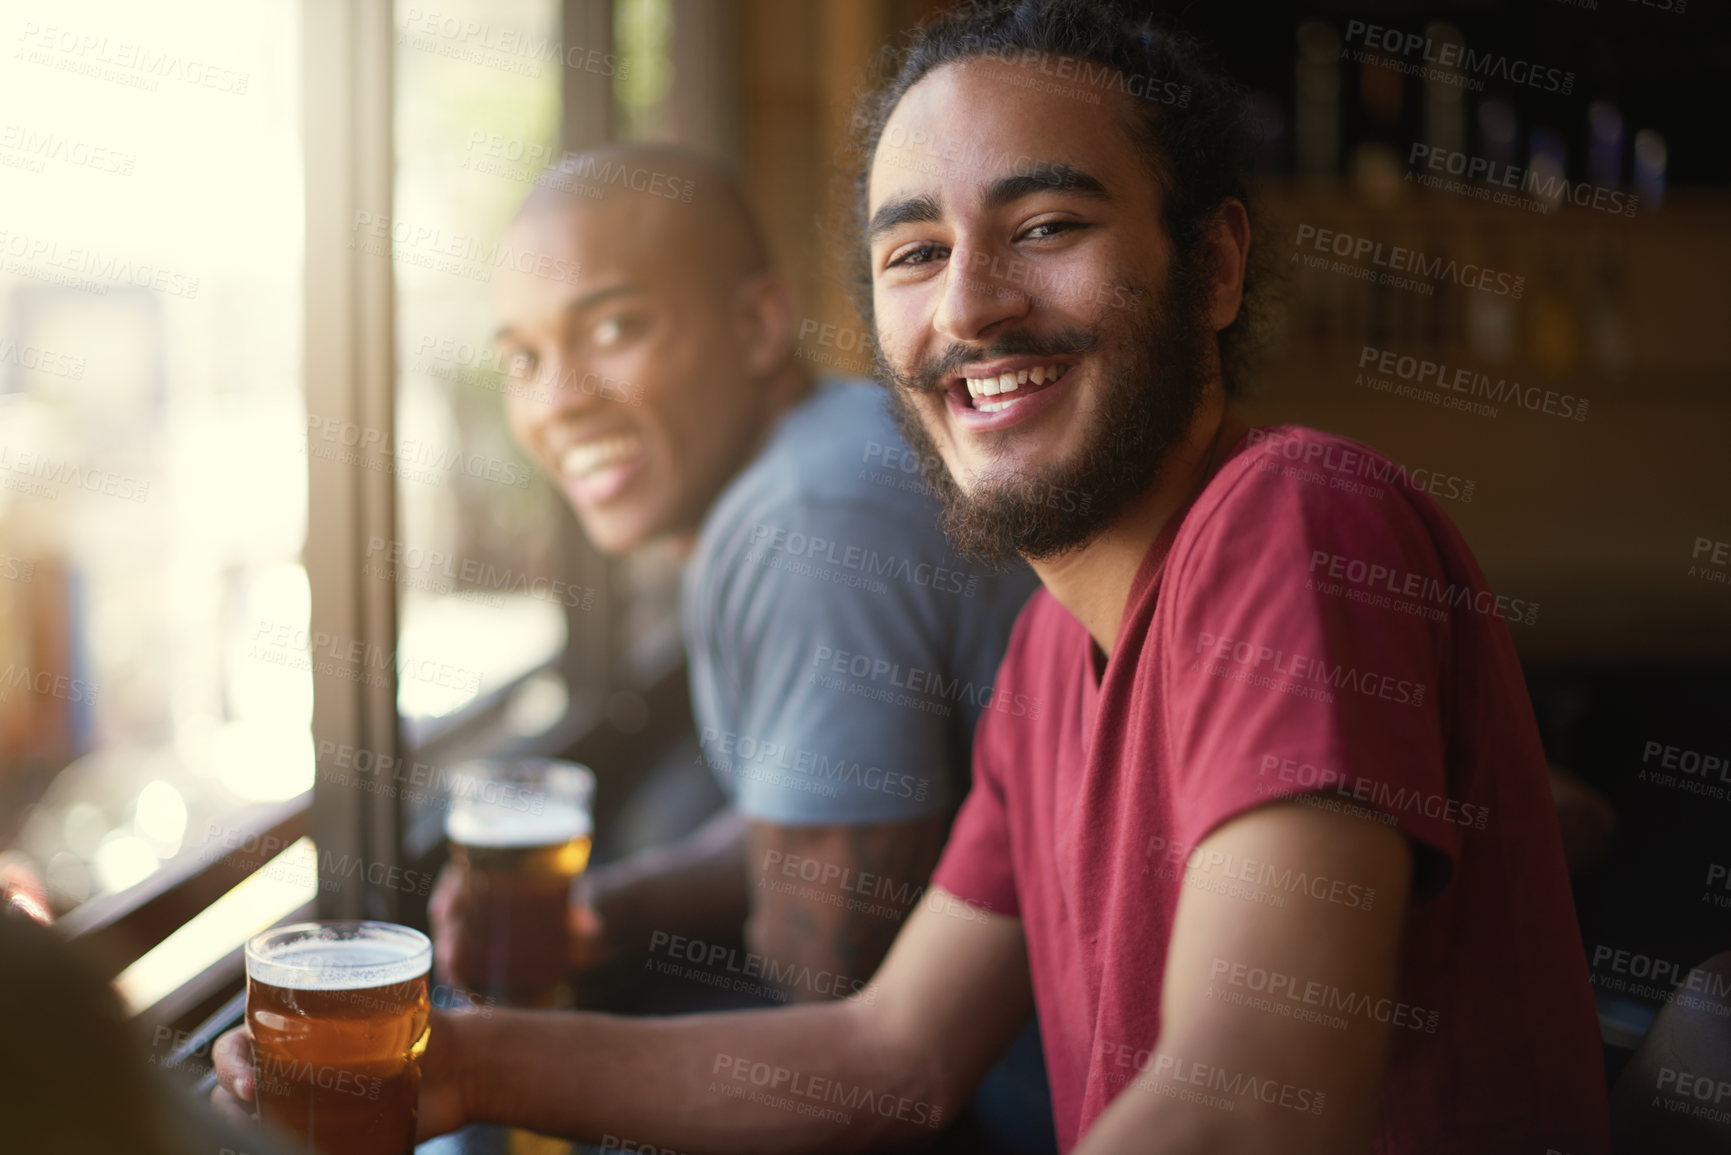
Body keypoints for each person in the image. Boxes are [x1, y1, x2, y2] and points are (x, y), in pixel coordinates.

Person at [218, 3, 1612, 1151]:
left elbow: (1240, 1106)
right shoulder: (1048, 674)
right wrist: (456, 1063)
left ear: (1212, 266)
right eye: (912, 253)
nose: (967, 307)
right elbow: (879, 1049)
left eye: (1046, 227)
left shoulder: (1294, 517)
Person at [429, 143, 1049, 1142]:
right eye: (524, 360)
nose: (558, 400)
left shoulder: (806, 517)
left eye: (616, 327)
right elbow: (801, 819)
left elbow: (827, 976)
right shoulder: (826, 448)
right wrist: (605, 912)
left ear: (760, 325)